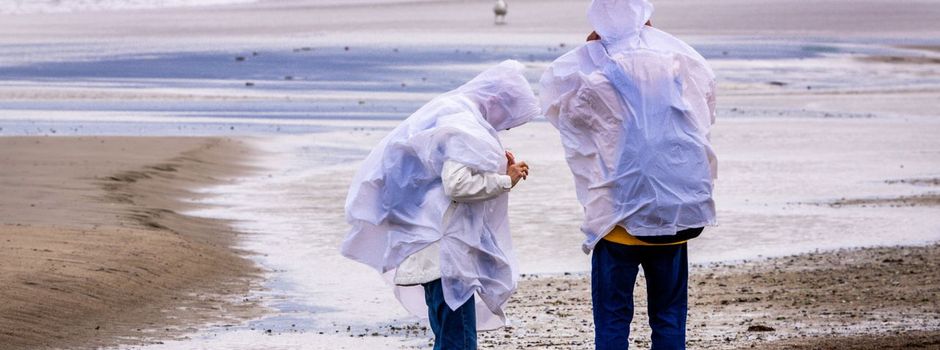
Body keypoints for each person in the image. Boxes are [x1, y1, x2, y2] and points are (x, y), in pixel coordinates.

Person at [539, 0, 718, 349]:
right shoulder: (673, 66)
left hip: (618, 219)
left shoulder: (599, 77)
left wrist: (591, 50)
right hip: (673, 215)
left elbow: (567, 112)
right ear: (644, 20)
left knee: (613, 319)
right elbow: (703, 104)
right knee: (668, 316)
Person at [341, 60, 540, 349]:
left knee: (448, 335)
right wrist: (505, 180)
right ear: (495, 101)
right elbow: (457, 184)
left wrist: (495, 170)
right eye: (507, 116)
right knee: (457, 339)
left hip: (431, 247)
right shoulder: (464, 126)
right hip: (445, 253)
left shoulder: (451, 113)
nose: (505, 125)